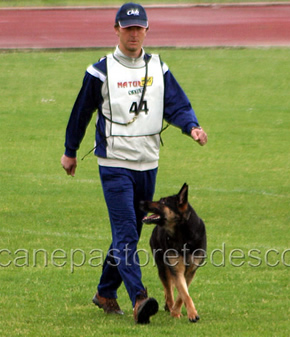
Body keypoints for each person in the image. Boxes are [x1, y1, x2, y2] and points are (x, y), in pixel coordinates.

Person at [61, 2, 208, 324]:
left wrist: (192, 127)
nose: (133, 33)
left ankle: (104, 292)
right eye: (127, 28)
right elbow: (81, 112)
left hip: (148, 162)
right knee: (127, 232)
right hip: (113, 163)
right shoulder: (100, 71)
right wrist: (70, 151)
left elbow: (176, 104)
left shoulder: (158, 67)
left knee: (129, 234)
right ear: (116, 29)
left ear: (146, 31)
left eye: (139, 28)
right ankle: (140, 298)